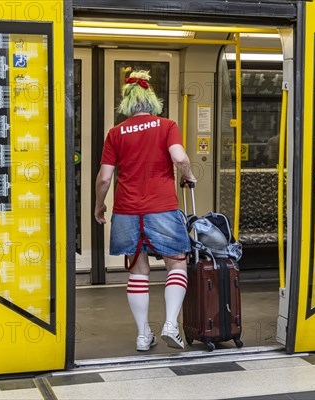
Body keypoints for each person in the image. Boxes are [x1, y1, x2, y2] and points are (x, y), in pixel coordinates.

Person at [94, 70, 197, 352]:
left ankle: (142, 335)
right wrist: (186, 175)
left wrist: (99, 205)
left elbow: (104, 178)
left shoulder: (115, 133)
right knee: (176, 262)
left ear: (126, 104)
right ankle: (171, 325)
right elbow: (180, 158)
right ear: (152, 101)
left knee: (137, 270)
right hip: (162, 207)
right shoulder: (167, 126)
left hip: (127, 210)